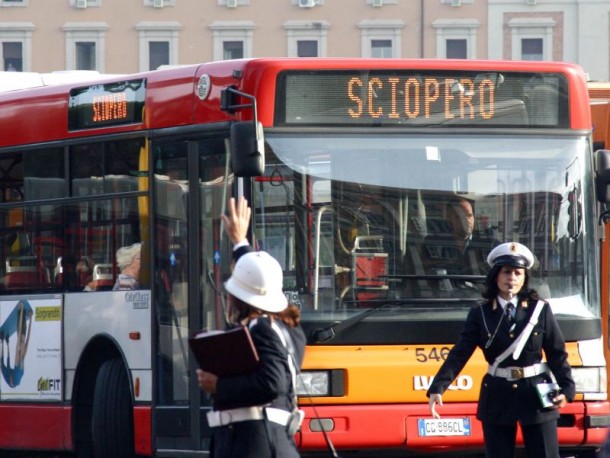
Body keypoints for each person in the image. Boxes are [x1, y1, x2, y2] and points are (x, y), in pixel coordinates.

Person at [426, 242, 575, 458]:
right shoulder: (481, 312)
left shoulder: (539, 309)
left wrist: (567, 389)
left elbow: (556, 352)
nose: (511, 278)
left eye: (517, 272)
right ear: (496, 276)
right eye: (506, 272)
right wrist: (438, 387)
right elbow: (461, 352)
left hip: (536, 394)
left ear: (524, 278)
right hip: (498, 394)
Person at [197, 196, 306, 458]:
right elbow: (258, 278)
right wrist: (240, 242)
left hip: (254, 446)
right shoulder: (288, 328)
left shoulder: (263, 330)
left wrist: (218, 385)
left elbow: (272, 382)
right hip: (269, 442)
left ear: (241, 298)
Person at [421, 196, 497, 277]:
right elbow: (423, 270)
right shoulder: (434, 244)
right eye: (459, 217)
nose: (467, 221)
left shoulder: (490, 245)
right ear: (448, 219)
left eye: (469, 215)